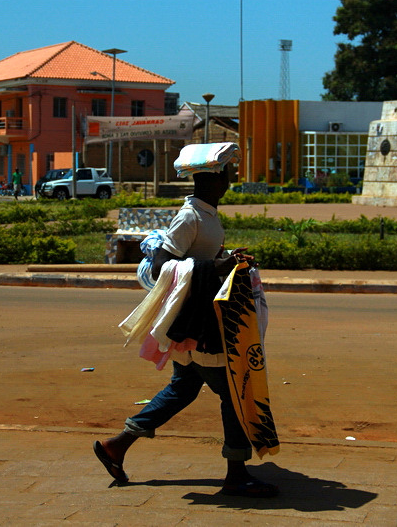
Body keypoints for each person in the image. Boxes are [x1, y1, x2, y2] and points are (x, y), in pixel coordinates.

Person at [93, 144, 278, 498]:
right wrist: (215, 267)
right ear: (213, 177)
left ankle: (117, 445)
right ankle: (236, 475)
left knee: (183, 387)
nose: (230, 178)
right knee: (235, 394)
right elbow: (165, 264)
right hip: (199, 325)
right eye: (227, 173)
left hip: (197, 320)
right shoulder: (190, 216)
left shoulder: (207, 213)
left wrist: (226, 259)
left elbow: (198, 256)